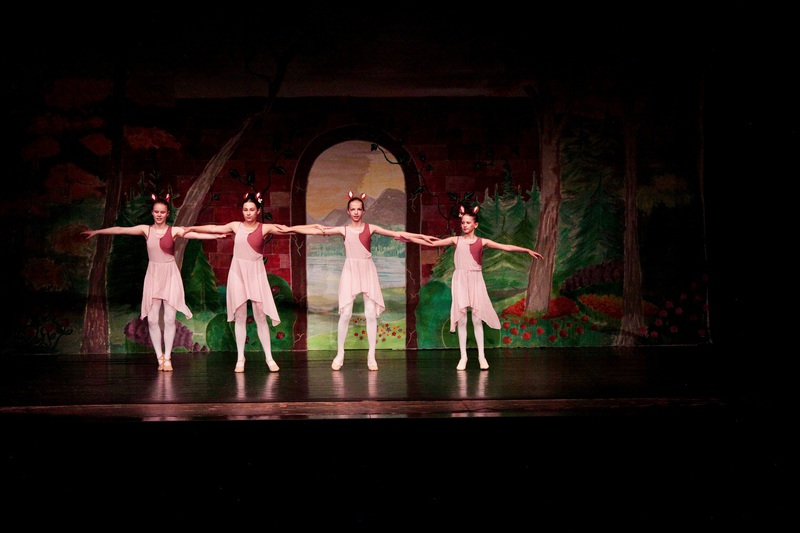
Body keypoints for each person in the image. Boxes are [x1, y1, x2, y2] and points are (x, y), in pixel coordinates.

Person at [287, 191, 436, 371]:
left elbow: (397, 234)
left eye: (359, 209)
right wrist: (288, 229)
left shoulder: (370, 228)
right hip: (350, 270)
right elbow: (319, 230)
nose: (356, 212)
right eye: (353, 209)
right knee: (346, 313)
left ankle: (371, 355)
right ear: (348, 212)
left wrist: (422, 238)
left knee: (371, 313)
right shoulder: (344, 230)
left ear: (363, 211)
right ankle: (340, 353)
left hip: (367, 269)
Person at [82, 194, 226, 371]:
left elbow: (195, 234)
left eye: (162, 212)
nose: (159, 215)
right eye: (156, 212)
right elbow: (120, 229)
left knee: (169, 319)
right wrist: (97, 232)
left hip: (170, 275)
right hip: (154, 275)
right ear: (152, 213)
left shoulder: (173, 231)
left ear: (167, 214)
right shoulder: (146, 230)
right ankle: (159, 357)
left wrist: (218, 235)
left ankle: (168, 357)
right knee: (152, 320)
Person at [400, 204, 543, 370]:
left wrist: (526, 250)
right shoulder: (456, 240)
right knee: (462, 319)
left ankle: (482, 356)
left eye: (468, 223)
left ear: (475, 225)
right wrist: (410, 239)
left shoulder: (482, 242)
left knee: (476, 318)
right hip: (460, 280)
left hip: (475, 280)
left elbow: (506, 247)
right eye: (463, 223)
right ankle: (463, 357)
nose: (465, 225)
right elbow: (433, 243)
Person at [184, 192, 314, 373]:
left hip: (256, 273)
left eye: (252, 209)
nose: (248, 213)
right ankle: (240, 358)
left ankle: (269, 357)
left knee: (261, 317)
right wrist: (191, 228)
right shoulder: (236, 226)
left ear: (258, 211)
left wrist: (316, 229)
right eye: (245, 209)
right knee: (240, 317)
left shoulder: (264, 228)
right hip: (238, 273)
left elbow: (287, 230)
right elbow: (214, 228)